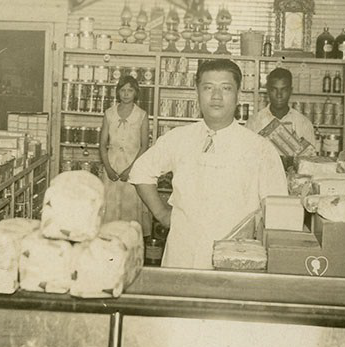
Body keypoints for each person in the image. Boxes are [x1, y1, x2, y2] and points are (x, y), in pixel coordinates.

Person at [129, 58, 288, 270]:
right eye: (208, 88)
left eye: (226, 88)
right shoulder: (180, 137)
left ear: (238, 95)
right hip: (182, 256)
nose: (216, 96)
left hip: (235, 261)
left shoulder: (260, 148)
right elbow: (141, 171)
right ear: (197, 93)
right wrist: (162, 214)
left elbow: (278, 211)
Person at [99, 75, 152, 236]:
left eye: (130, 90)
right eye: (123, 90)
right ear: (117, 92)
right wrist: (108, 168)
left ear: (136, 93)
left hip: (132, 166)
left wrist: (131, 169)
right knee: (110, 206)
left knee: (130, 208)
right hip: (112, 166)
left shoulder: (141, 115)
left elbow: (144, 146)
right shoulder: (109, 113)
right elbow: (102, 144)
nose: (126, 94)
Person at [246, 67, 319, 156]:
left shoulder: (304, 124)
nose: (279, 95)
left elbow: (310, 161)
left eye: (284, 90)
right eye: (274, 90)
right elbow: (246, 157)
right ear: (268, 91)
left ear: (290, 91)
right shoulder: (254, 122)